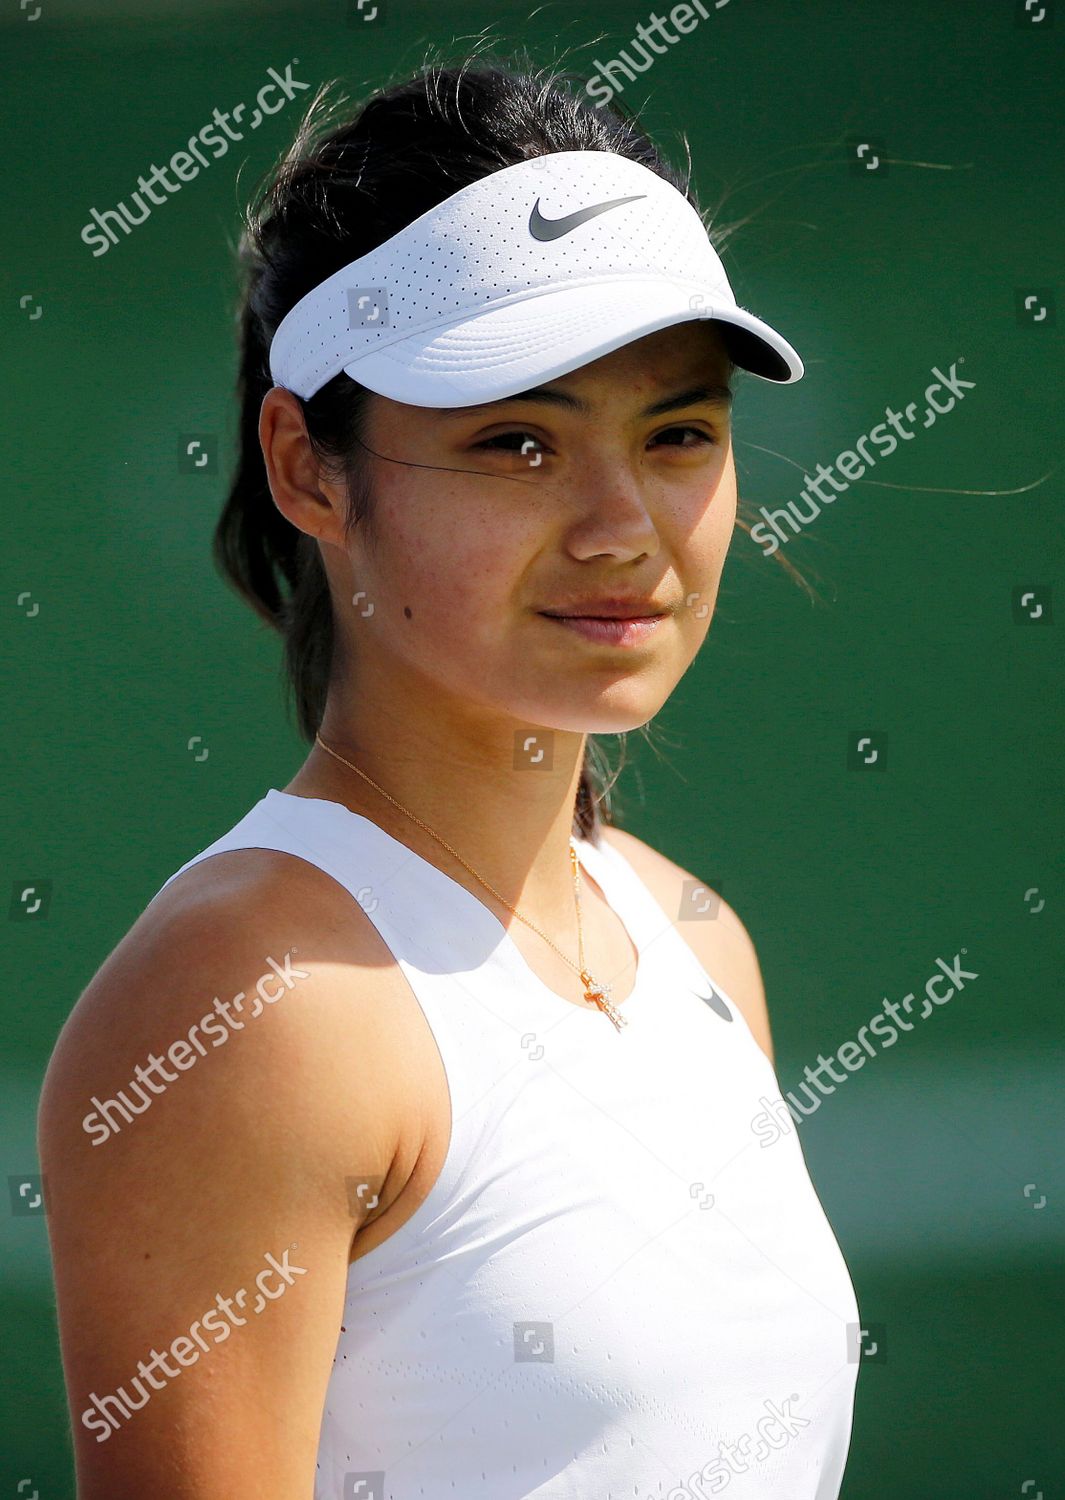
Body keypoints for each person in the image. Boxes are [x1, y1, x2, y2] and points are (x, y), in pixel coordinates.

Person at [38, 49, 860, 1500]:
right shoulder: (253, 1006)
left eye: (676, 433)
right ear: (307, 469)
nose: (622, 528)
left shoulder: (695, 941)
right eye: (516, 440)